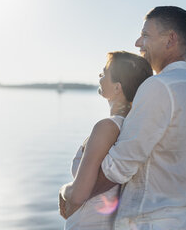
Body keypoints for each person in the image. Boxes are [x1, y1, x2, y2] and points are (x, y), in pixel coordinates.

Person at [96, 6, 186, 229]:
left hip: (153, 222)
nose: (138, 43)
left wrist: (74, 197)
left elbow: (118, 167)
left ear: (170, 40)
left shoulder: (159, 86)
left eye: (145, 35)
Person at [59, 51, 153, 229]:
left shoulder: (107, 127)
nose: (99, 76)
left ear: (117, 88)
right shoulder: (130, 128)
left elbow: (79, 194)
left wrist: (63, 191)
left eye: (104, 72)